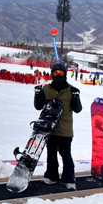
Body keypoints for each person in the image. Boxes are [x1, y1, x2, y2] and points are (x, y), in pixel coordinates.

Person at [34, 62, 82, 190]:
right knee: (51, 154)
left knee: (65, 154)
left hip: (65, 129)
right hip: (49, 129)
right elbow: (38, 106)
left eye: (61, 73)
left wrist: (76, 98)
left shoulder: (71, 90)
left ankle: (69, 178)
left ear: (65, 74)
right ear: (52, 74)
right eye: (56, 73)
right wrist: (38, 95)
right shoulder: (46, 89)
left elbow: (77, 110)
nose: (58, 76)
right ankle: (51, 176)